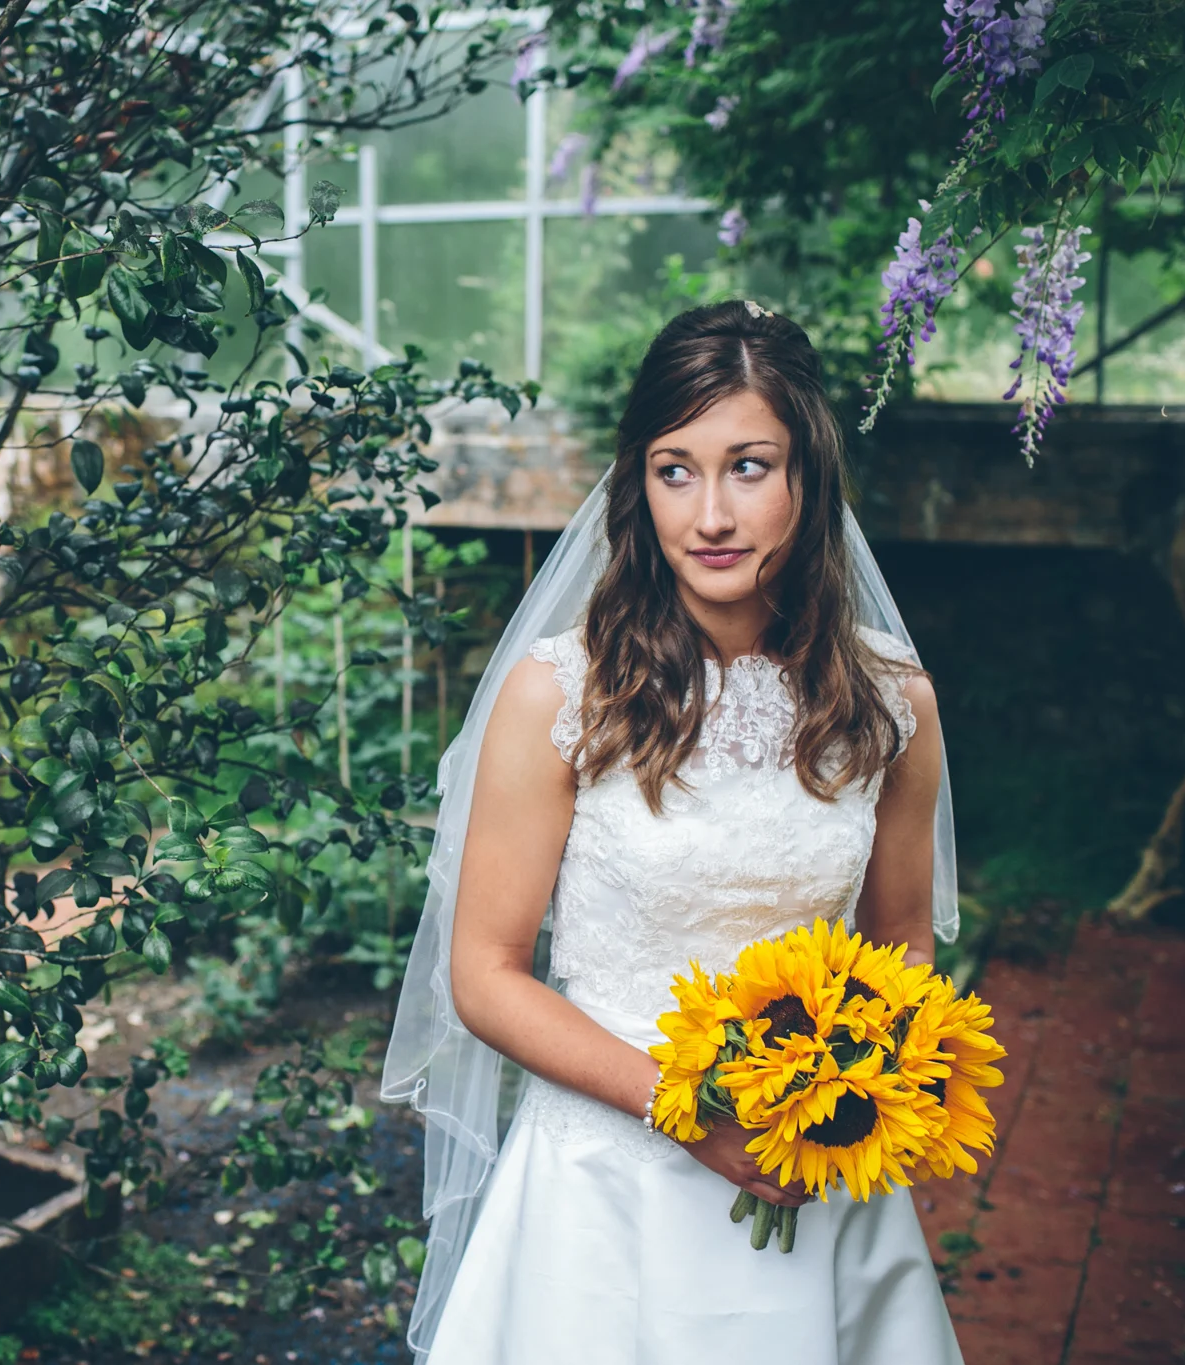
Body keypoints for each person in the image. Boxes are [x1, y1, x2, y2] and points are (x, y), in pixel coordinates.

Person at [382, 301, 965, 1363]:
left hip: (817, 1170)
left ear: (806, 479)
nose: (708, 514)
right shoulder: (559, 696)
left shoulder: (891, 703)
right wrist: (694, 1116)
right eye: (672, 469)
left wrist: (852, 1090)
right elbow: (485, 972)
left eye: (747, 466)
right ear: (635, 483)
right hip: (607, 1184)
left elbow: (902, 949)